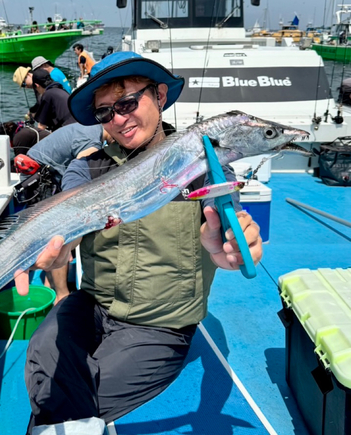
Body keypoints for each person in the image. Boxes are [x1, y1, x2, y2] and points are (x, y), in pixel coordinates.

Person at [14, 52, 263, 434]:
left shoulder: (201, 162)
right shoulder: (88, 166)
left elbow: (224, 209)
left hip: (160, 326)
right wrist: (59, 247)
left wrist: (230, 240)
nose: (118, 119)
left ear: (160, 96)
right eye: (104, 113)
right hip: (92, 306)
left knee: (61, 399)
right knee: (43, 353)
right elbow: (71, 221)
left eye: (127, 102)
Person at [23, 123, 112, 303]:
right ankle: (62, 294)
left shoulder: (89, 128)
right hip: (39, 178)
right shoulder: (91, 141)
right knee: (59, 233)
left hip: (41, 171)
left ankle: (49, 284)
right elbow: (86, 176)